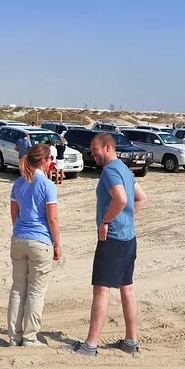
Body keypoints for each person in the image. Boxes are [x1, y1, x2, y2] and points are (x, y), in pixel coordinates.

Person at [68, 133, 148, 357]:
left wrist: (107, 221)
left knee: (101, 290)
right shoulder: (125, 169)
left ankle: (90, 345)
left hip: (112, 238)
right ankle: (130, 342)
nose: (92, 154)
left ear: (107, 147)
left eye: (95, 150)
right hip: (128, 238)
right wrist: (126, 219)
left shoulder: (111, 170)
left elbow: (121, 199)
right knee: (127, 288)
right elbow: (142, 198)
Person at [7, 144, 61, 347]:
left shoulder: (19, 182)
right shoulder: (47, 185)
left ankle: (14, 337)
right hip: (40, 241)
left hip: (19, 238)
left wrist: (19, 229)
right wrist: (57, 244)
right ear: (44, 161)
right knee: (35, 292)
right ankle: (29, 337)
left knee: (18, 289)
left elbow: (14, 213)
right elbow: (52, 218)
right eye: (49, 160)